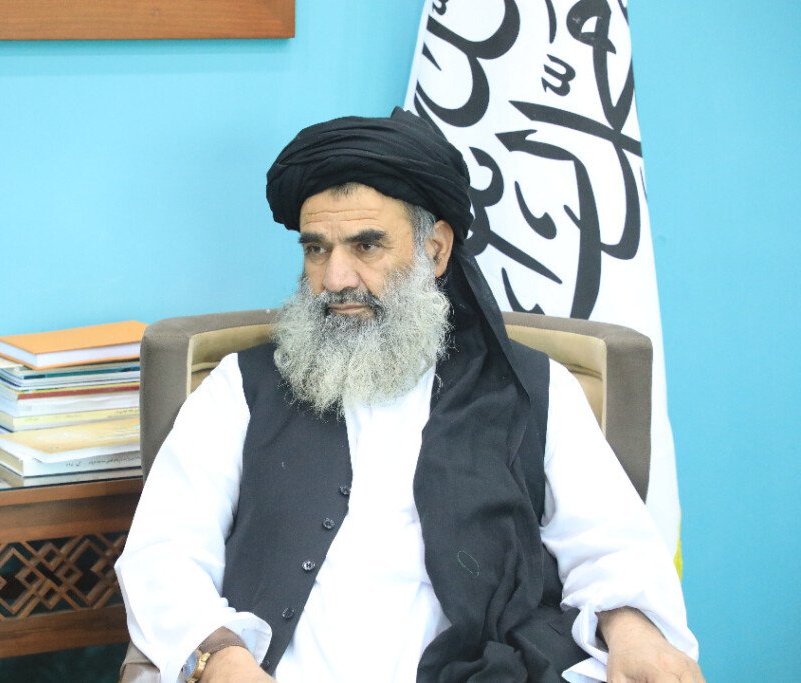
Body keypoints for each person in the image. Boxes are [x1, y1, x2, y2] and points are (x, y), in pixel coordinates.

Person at [116, 109, 702, 683]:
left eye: (366, 246)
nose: (336, 278)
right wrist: (222, 660)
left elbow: (611, 547)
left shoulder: (534, 388)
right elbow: (163, 553)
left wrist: (634, 632)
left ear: (436, 250)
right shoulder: (241, 388)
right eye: (316, 249)